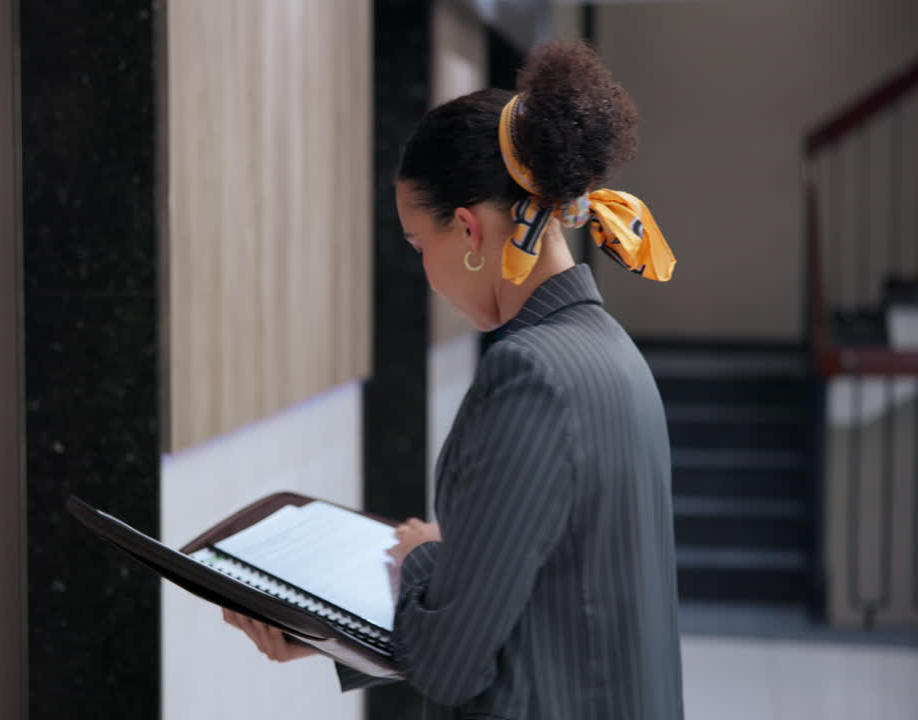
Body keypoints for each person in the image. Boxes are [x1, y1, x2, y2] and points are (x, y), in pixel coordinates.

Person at [224, 39, 683, 719]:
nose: (425, 271)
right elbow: (553, 606)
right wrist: (342, 632)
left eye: (419, 246)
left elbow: (450, 665)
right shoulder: (612, 354)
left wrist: (420, 561)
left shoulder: (529, 375)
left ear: (468, 232)